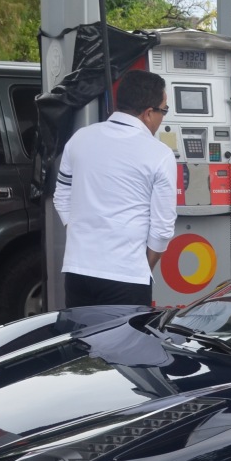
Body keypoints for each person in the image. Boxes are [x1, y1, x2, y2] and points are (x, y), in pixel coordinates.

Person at [54, 69, 180, 308]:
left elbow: (61, 195)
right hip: (126, 277)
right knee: (125, 345)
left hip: (78, 271)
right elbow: (163, 229)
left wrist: (80, 232)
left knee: (82, 342)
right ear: (148, 113)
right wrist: (143, 265)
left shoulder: (80, 138)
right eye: (163, 110)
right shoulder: (159, 154)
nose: (162, 118)